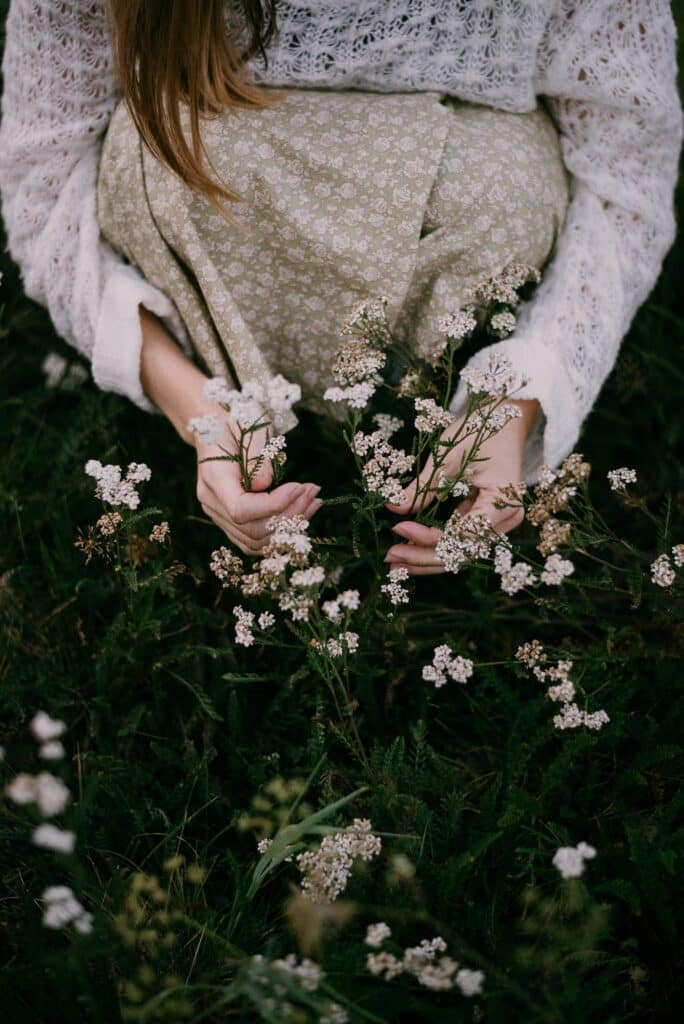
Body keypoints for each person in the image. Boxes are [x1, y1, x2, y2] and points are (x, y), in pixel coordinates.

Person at [0, 1, 681, 576]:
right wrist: (197, 410)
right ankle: (268, 412)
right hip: (212, 222)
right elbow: (43, 182)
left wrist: (523, 394)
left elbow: (627, 174)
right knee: (166, 156)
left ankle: (429, 405)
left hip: (467, 250)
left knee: (501, 190)